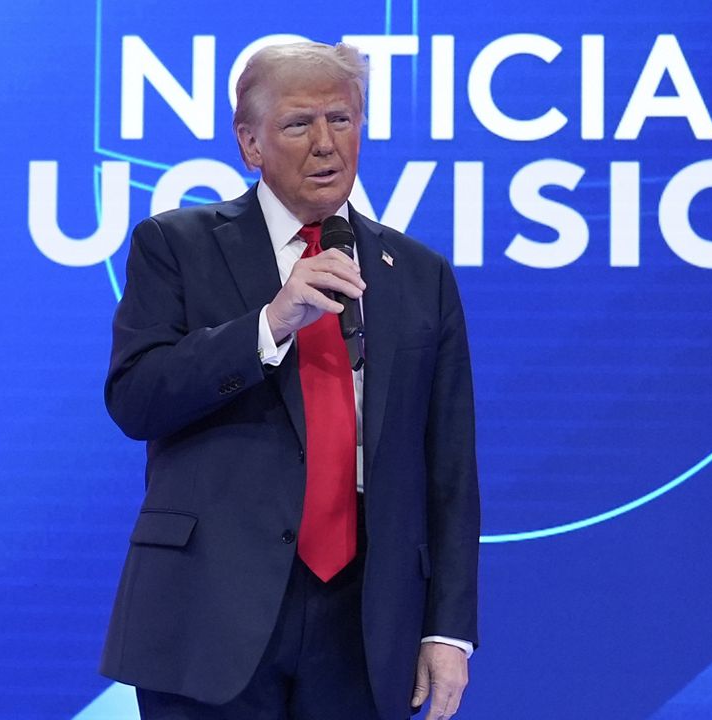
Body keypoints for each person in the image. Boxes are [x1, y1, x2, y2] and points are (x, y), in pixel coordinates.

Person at [100, 41, 479, 720]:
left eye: (342, 119)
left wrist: (447, 630)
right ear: (249, 143)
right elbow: (137, 398)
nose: (326, 144)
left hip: (365, 621)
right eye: (299, 124)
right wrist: (270, 324)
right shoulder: (176, 246)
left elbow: (448, 467)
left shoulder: (421, 276)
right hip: (209, 611)